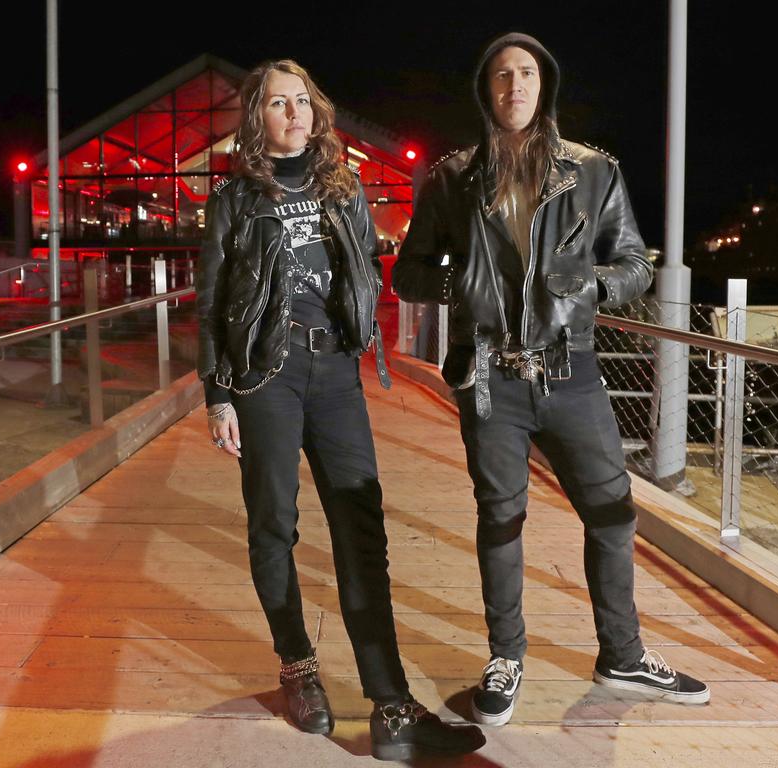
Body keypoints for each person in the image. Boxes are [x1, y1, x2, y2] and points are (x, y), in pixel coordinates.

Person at [394, 32, 710, 727]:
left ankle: (621, 654)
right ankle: (506, 654)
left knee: (612, 512)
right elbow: (408, 271)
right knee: (500, 518)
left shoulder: (592, 172)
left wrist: (587, 284)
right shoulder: (452, 178)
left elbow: (635, 265)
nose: (514, 85)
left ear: (546, 86)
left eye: (527, 73)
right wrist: (456, 277)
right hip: (489, 380)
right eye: (501, 74)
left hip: (572, 375)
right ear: (486, 90)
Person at [195, 59, 485, 761]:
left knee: (362, 528)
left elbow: (364, 275)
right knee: (275, 523)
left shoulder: (343, 190)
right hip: (266, 372)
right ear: (258, 120)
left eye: (302, 101)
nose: (294, 113)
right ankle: (298, 667)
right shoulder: (234, 202)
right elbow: (209, 305)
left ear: (316, 111)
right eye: (277, 104)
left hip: (334, 370)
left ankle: (390, 705)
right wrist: (217, 395)